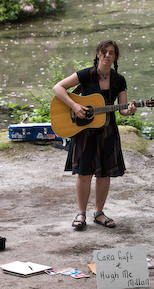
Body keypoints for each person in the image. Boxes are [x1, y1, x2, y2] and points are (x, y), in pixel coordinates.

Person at [52, 39, 136, 230]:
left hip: (108, 130)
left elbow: (122, 109)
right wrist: (74, 105)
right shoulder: (85, 75)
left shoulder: (118, 80)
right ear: (98, 54)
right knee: (84, 173)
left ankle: (99, 213)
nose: (107, 55)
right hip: (84, 131)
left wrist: (129, 111)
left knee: (104, 174)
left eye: (112, 53)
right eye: (104, 52)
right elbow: (58, 88)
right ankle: (81, 213)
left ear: (115, 57)